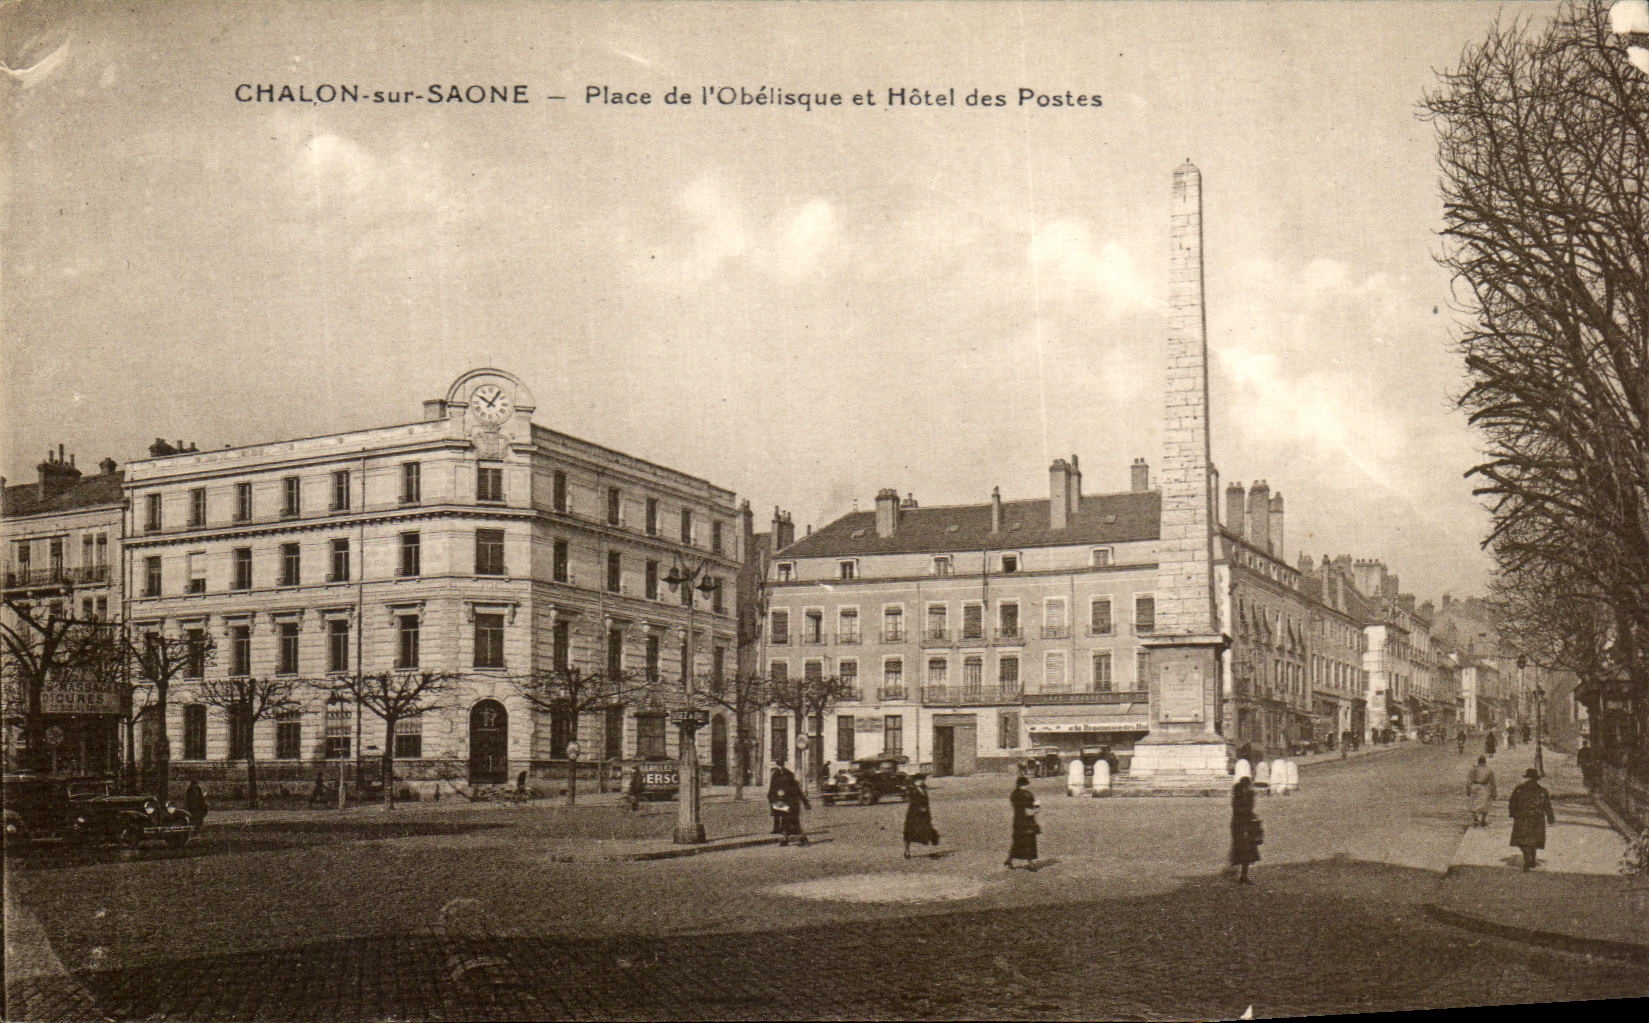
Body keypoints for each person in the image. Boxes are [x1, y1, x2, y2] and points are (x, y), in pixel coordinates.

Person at [1508, 767, 1555, 871]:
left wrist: (1512, 813)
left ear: (1527, 777)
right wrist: (1550, 817)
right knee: (1534, 839)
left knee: (1522, 839)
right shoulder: (1542, 791)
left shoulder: (1519, 789)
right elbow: (1547, 805)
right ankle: (1531, 858)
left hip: (1522, 817)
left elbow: (1512, 802)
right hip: (1537, 818)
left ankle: (1527, 857)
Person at [767, 761, 810, 846]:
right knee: (786, 821)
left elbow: (798, 792)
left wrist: (805, 803)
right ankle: (786, 839)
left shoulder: (785, 778)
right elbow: (773, 790)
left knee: (793, 822)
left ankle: (802, 839)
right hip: (785, 803)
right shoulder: (782, 776)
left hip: (791, 804)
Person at [1229, 775, 1261, 884]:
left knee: (1247, 850)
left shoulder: (1246, 796)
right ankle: (1241, 874)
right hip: (1240, 826)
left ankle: (1243, 874)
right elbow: (1241, 811)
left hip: (1245, 825)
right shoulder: (1238, 797)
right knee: (1243, 850)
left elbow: (1249, 809)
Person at [1005, 776, 1040, 869]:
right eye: (1027, 784)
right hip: (1027, 822)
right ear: (1024, 785)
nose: (1028, 786)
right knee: (1029, 842)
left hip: (1017, 821)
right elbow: (1029, 811)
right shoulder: (1027, 795)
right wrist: (1037, 807)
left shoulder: (1014, 794)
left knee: (1017, 842)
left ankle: (1009, 860)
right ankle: (1030, 864)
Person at [902, 774, 940, 858]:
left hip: (924, 814)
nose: (922, 781)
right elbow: (913, 801)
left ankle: (931, 848)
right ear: (915, 782)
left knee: (926, 830)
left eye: (923, 780)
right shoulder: (912, 790)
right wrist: (920, 808)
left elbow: (926, 802)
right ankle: (906, 851)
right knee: (909, 832)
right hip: (913, 814)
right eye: (920, 780)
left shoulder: (923, 789)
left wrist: (927, 813)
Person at [1466, 755, 1497, 828]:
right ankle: (1483, 820)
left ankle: (1475, 819)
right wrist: (1494, 793)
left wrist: (1468, 790)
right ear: (1485, 762)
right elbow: (1492, 782)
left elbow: (1468, 782)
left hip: (1475, 787)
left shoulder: (1473, 770)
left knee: (1474, 803)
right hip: (1484, 787)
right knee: (1485, 804)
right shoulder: (1489, 770)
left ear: (1478, 762)